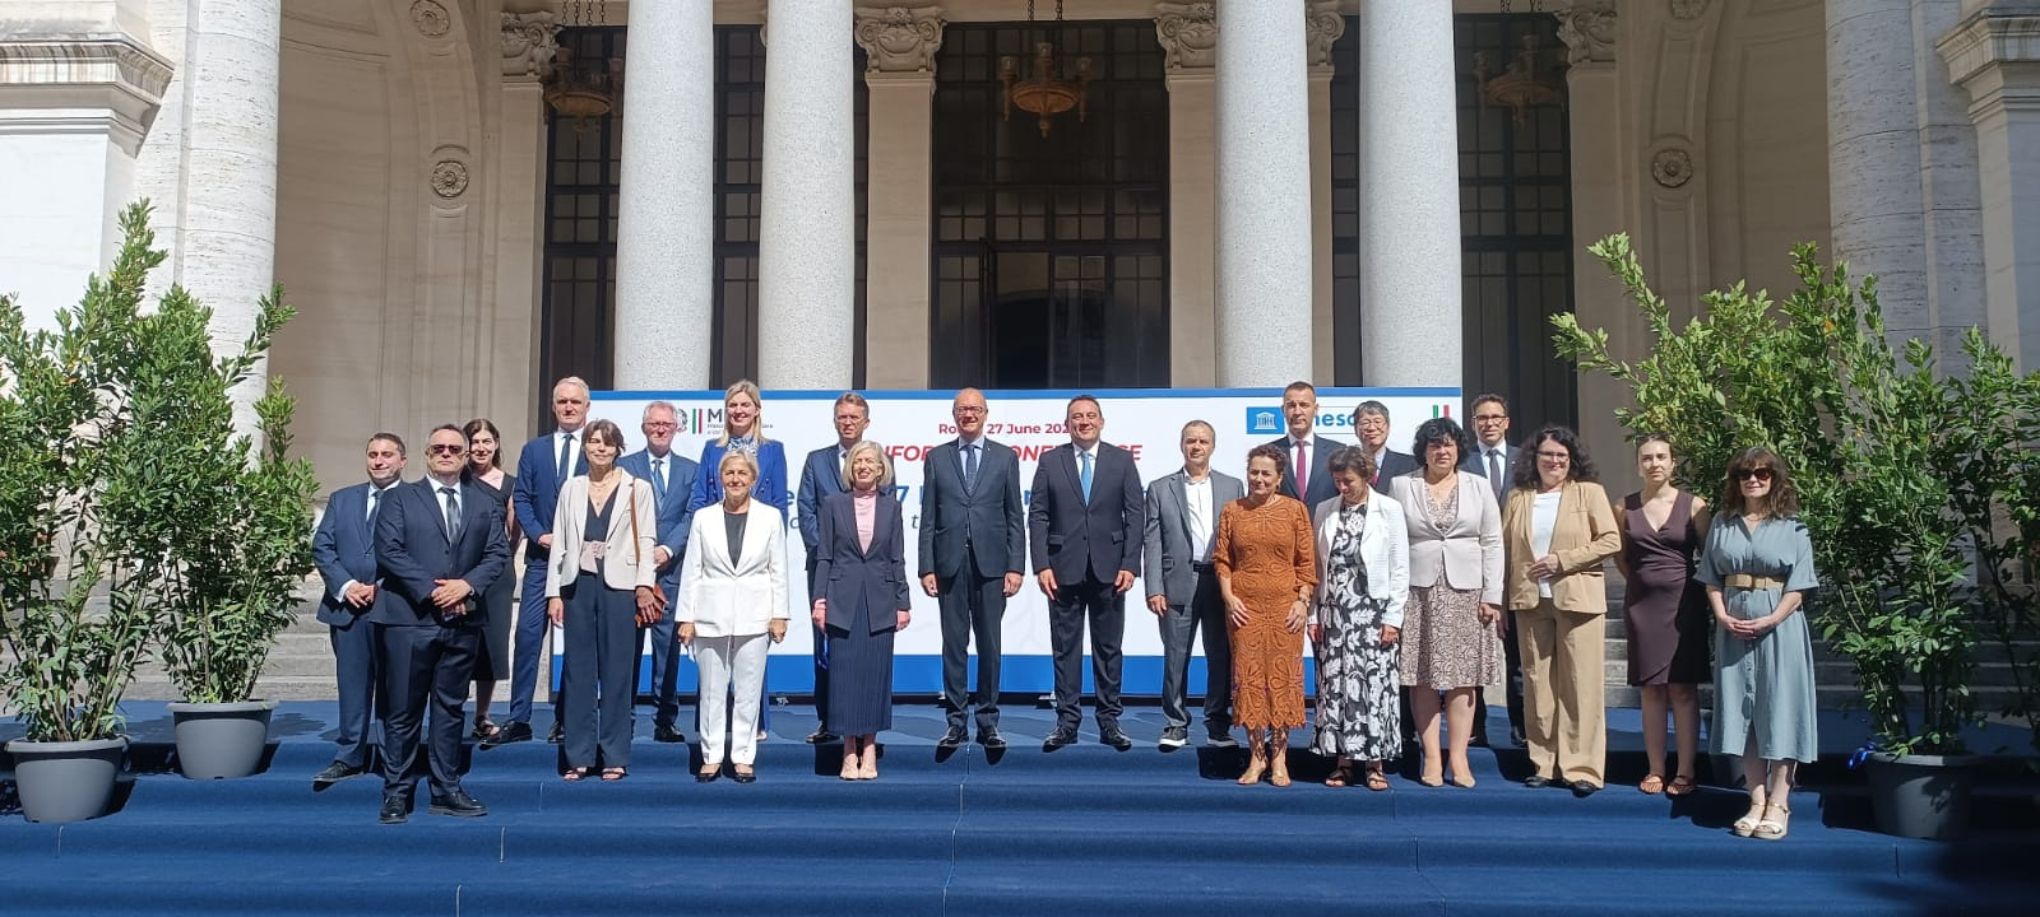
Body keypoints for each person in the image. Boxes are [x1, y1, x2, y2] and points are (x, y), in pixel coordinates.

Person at [370, 425, 510, 824]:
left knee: (450, 709)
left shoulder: (483, 502)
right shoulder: (399, 498)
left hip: (462, 621)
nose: (446, 453)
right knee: (402, 709)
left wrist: (467, 585)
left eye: (454, 448)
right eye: (438, 448)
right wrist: (435, 591)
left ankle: (445, 788)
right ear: (426, 455)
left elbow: (497, 553)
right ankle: (397, 792)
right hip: (409, 621)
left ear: (466, 456)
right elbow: (389, 551)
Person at [1698, 447, 1818, 841]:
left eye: (1762, 473)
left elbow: (1800, 585)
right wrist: (1720, 613)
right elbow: (1712, 576)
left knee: (1779, 708)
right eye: (1745, 474)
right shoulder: (1722, 522)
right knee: (1743, 710)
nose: (1753, 479)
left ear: (1774, 478)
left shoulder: (1793, 525)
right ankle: (1755, 799)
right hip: (1733, 622)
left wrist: (1771, 618)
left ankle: (1780, 801)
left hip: (1778, 623)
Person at [1500, 424, 1622, 797]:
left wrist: (1562, 561)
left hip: (1578, 598)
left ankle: (1582, 767)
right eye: (1547, 455)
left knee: (1580, 685)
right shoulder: (1520, 497)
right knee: (1538, 685)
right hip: (1530, 599)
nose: (1554, 462)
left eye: (1562, 457)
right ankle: (1545, 762)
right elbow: (1506, 550)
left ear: (1572, 461)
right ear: (1533, 460)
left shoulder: (1589, 492)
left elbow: (1612, 540)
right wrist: (1503, 599)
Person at [1388, 417, 1503, 789]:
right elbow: (1393, 543)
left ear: (1459, 450)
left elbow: (1492, 542)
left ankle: (1459, 756)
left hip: (1467, 593)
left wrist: (1493, 595)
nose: (1442, 451)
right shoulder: (1402, 485)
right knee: (1422, 676)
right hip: (1417, 593)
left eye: (1449, 445)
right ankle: (1432, 756)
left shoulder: (1479, 486)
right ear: (1423, 449)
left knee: (1463, 679)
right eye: (1435, 445)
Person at [544, 420, 661, 782]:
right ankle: (578, 755)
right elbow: (561, 540)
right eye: (594, 442)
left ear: (617, 449)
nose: (600, 449)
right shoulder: (572, 487)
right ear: (585, 447)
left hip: (621, 587)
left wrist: (645, 585)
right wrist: (553, 593)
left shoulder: (636, 488)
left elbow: (648, 537)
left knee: (617, 672)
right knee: (578, 671)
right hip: (577, 585)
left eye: (607, 444)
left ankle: (614, 754)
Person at [1029, 394, 1144, 752]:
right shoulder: (1050, 461)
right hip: (1062, 569)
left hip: (1111, 570)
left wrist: (1129, 563)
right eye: (1076, 417)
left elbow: (1135, 514)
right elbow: (1038, 515)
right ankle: (1067, 721)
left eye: (1090, 416)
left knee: (1109, 648)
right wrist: (1041, 564)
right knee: (1065, 648)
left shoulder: (1121, 460)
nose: (1084, 422)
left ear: (1101, 421)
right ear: (1067, 424)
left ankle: (1110, 720)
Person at [919, 388, 1025, 749]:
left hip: (992, 564)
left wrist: (1016, 566)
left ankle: (988, 721)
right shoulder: (936, 458)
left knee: (990, 644)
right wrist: (925, 567)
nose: (968, 415)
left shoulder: (1006, 457)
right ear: (953, 414)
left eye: (974, 409)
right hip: (949, 563)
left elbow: (1015, 516)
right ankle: (955, 721)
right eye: (962, 409)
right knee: (953, 645)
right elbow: (929, 519)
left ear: (985, 413)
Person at [679, 450, 790, 783]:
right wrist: (687, 617)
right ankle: (711, 755)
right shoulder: (703, 518)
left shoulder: (770, 517)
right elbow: (693, 569)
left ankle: (742, 756)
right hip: (709, 614)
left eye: (743, 473)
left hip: (756, 615)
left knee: (748, 690)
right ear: (719, 478)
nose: (736, 479)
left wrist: (779, 614)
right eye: (730, 473)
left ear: (753, 479)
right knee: (711, 689)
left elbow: (778, 569)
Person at [687, 379, 789, 740]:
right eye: (733, 406)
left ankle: (755, 724)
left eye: (746, 406)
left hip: (754, 557)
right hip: (718, 550)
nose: (739, 411)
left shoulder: (773, 451)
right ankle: (711, 730)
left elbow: (779, 504)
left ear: (757, 410)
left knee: (751, 650)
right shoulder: (711, 451)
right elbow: (700, 497)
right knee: (713, 654)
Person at [493, 377, 590, 747]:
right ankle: (519, 717)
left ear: (587, 407)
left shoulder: (596, 449)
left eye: (575, 402)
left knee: (578, 641)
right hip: (540, 558)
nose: (568, 407)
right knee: (529, 635)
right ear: (553, 406)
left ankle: (567, 718)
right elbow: (524, 497)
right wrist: (539, 534)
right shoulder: (534, 450)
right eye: (562, 401)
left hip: (583, 564)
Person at [1214, 444, 1317, 786]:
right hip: (1244, 610)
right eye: (1254, 472)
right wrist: (1229, 598)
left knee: (1283, 679)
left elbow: (1306, 563)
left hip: (1286, 609)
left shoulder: (1295, 511)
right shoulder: (1232, 510)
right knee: (1250, 679)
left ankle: (1280, 758)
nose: (1258, 479)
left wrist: (1302, 602)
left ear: (1279, 478)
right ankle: (1257, 755)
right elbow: (1223, 560)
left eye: (1265, 473)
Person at [1309, 447, 1410, 791]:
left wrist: (1394, 618)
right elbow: (1317, 569)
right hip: (1335, 614)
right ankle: (1343, 761)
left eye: (1348, 481)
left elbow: (1400, 567)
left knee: (1374, 686)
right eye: (1337, 481)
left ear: (1367, 477)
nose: (1342, 487)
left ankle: (1375, 763)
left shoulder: (1389, 510)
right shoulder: (1325, 510)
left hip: (1373, 613)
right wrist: (1313, 613)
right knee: (1336, 686)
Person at [1616, 434, 1712, 797]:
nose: (1654, 463)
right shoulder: (1623, 507)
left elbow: (1709, 557)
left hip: (1684, 606)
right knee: (1651, 691)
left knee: (1683, 690)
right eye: (1647, 458)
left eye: (1661, 457)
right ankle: (1656, 768)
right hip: (1642, 606)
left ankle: (1685, 770)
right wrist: (1644, 585)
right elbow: (1622, 558)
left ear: (1673, 463)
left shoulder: (1694, 506)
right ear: (1638, 464)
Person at [309, 433, 406, 788]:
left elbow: (416, 552)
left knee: (395, 687)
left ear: (402, 461)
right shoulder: (342, 499)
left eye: (387, 455)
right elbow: (323, 547)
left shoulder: (415, 500)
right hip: (347, 609)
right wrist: (348, 586)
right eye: (373, 455)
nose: (379, 461)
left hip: (394, 608)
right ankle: (349, 755)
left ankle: (392, 757)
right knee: (352, 684)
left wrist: (379, 587)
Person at [810, 441, 911, 780]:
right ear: (850, 468)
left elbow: (897, 558)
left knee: (874, 679)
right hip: (842, 601)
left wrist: (903, 603)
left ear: (881, 469)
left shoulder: (892, 507)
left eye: (870, 462)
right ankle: (847, 751)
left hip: (881, 603)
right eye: (858, 462)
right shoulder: (833, 504)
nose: (864, 467)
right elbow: (824, 555)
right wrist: (819, 601)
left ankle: (869, 750)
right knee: (845, 680)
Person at [1142, 420, 1243, 750]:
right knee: (1175, 656)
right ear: (1181, 445)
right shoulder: (1160, 487)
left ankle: (1217, 723)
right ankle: (1175, 724)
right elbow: (1152, 540)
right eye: (1190, 441)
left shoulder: (1233, 486)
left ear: (1212, 446)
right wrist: (1154, 587)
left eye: (1203, 441)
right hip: (1177, 583)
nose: (1196, 446)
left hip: (1220, 582)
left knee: (1220, 655)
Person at [617, 401, 700, 744]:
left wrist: (666, 550)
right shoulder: (623, 467)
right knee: (626, 650)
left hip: (671, 571)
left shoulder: (690, 470)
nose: (661, 429)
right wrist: (641, 557)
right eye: (654, 424)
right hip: (629, 574)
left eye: (667, 424)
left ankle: (666, 718)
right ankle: (624, 718)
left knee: (668, 652)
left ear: (677, 428)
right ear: (644, 428)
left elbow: (691, 514)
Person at [796, 392, 870, 745]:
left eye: (854, 417)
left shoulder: (875, 460)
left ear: (866, 422)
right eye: (842, 416)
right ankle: (827, 720)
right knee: (824, 646)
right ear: (835, 420)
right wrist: (826, 552)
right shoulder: (816, 461)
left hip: (866, 574)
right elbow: (805, 509)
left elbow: (883, 510)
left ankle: (860, 720)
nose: (848, 422)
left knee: (861, 647)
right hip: (826, 569)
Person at [1464, 393, 1523, 747]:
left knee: (1518, 659)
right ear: (1473, 423)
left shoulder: (1525, 461)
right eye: (1482, 418)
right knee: (1474, 659)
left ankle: (1522, 727)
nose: (1489, 423)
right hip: (1474, 571)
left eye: (1495, 417)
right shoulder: (1463, 462)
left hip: (1518, 572)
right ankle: (1477, 726)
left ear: (1506, 422)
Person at [461, 419, 518, 743]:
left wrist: (496, 562)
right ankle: (452, 711)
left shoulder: (508, 484)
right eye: (474, 442)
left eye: (487, 441)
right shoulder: (458, 480)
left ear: (496, 444)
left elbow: (514, 534)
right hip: (460, 574)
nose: (481, 448)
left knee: (492, 645)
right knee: (457, 643)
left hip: (496, 577)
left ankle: (482, 715)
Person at [1265, 381, 1340, 508]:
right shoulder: (1268, 453)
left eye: (1304, 405)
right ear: (1283, 410)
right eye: (1291, 405)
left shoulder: (1338, 452)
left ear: (1315, 410)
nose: (1297, 411)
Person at [1355, 401, 1420, 495]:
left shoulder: (1410, 465)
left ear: (1388, 427)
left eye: (1377, 422)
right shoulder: (1346, 464)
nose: (1372, 428)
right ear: (1355, 429)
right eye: (1365, 422)